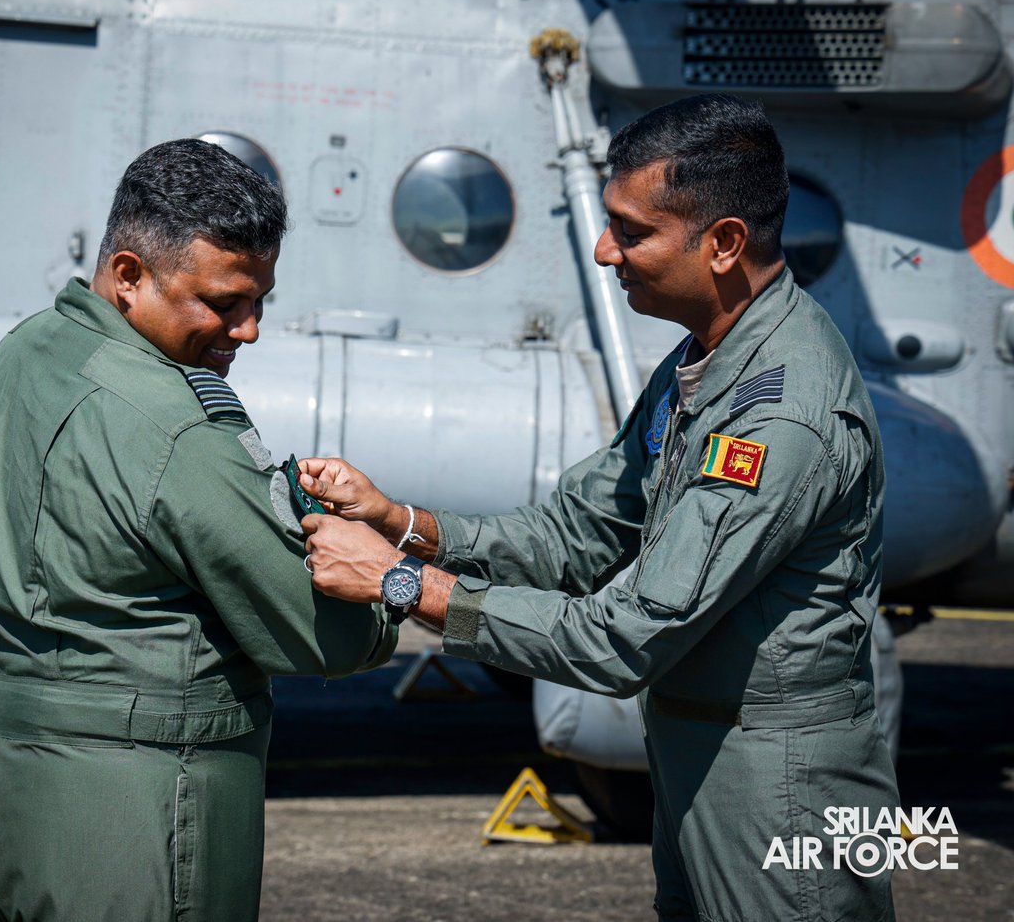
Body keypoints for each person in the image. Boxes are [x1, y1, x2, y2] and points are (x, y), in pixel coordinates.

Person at [299, 94, 899, 921]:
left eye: (633, 230)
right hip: (700, 755)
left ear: (723, 244)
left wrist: (405, 587)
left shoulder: (778, 415)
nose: (603, 248)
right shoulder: (703, 361)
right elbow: (577, 533)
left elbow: (625, 638)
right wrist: (402, 522)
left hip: (779, 785)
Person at [0, 139, 398, 922]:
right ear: (128, 276)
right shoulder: (179, 429)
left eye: (259, 301)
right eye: (224, 303)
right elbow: (326, 636)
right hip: (133, 822)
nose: (249, 329)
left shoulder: (22, 353)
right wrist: (380, 574)